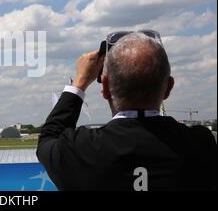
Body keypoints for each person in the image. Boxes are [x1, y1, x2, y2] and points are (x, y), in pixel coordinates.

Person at [37, 32, 217, 191]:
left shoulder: (81, 150)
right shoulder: (200, 144)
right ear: (168, 88)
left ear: (106, 88)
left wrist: (80, 82)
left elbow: (48, 138)